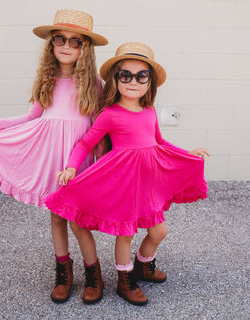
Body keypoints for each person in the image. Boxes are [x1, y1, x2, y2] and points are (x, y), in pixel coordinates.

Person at [44, 42, 210, 306]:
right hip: (125, 185)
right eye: (126, 75)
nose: (133, 82)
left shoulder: (150, 112)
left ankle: (143, 266)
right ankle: (125, 281)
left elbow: (160, 143)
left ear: (150, 82)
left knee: (159, 232)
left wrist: (188, 155)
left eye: (141, 76)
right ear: (116, 79)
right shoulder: (110, 114)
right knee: (126, 233)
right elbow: (86, 143)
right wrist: (73, 167)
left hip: (147, 185)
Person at [0, 9, 108, 304]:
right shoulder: (47, 79)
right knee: (57, 218)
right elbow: (32, 116)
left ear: (85, 48)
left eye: (75, 41)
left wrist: (103, 164)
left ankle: (93, 273)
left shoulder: (94, 84)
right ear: (52, 44)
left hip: (79, 159)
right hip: (52, 158)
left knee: (78, 221)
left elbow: (100, 127)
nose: (67, 46)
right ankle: (63, 272)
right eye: (61, 40)